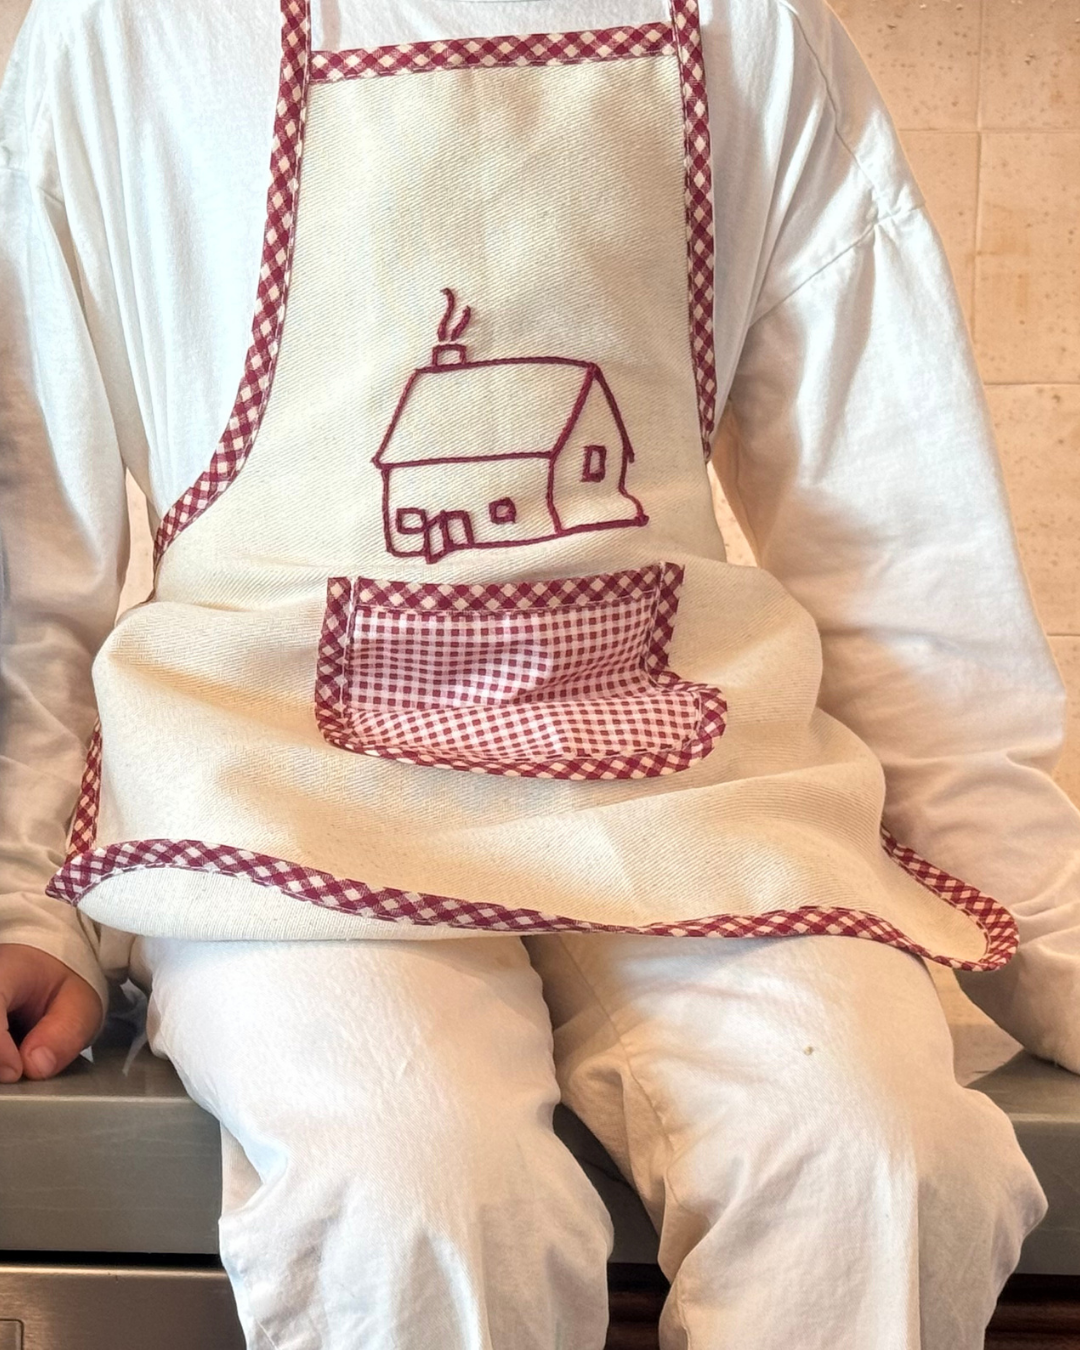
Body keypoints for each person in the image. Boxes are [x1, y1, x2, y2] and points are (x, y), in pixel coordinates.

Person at [0, 0, 1076, 1345]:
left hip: (682, 784)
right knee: (417, 1191)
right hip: (280, 794)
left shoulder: (753, 28)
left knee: (887, 1157)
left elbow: (901, 545)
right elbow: (35, 538)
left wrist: (1049, 926)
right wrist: (25, 895)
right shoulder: (130, 33)